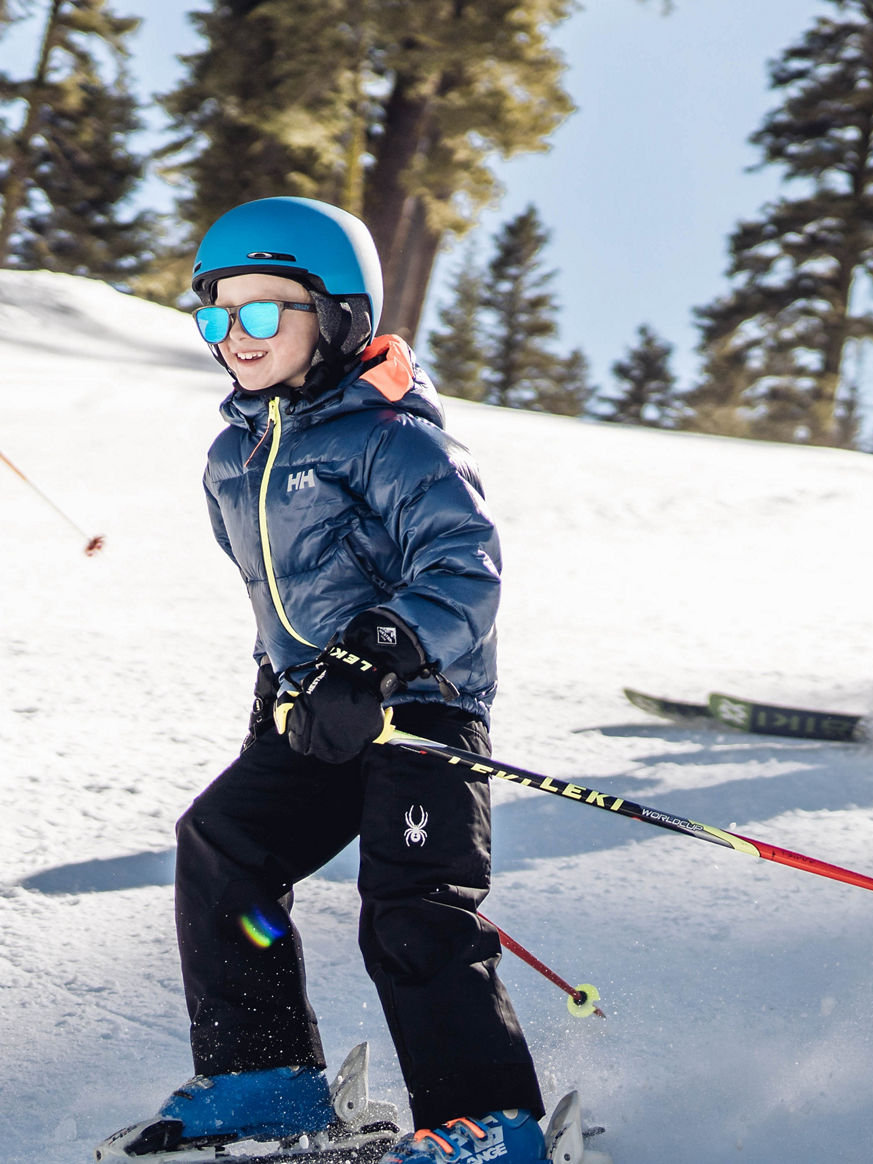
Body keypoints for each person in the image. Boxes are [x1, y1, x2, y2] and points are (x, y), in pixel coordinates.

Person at [111, 197, 547, 1163]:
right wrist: (281, 697)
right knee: (224, 848)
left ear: (339, 315)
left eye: (264, 311)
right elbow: (280, 601)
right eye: (217, 312)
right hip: (314, 716)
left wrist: (377, 654)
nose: (235, 334)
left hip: (418, 710)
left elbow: (463, 567)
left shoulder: (394, 436)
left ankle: (489, 1122)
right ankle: (265, 1078)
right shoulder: (237, 454)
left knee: (409, 911)